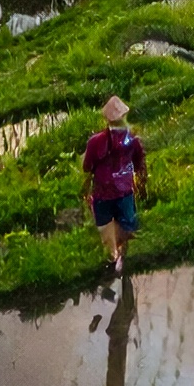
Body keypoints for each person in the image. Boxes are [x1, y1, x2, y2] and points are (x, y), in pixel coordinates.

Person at [82, 94, 147, 274]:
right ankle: (121, 252)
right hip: (125, 190)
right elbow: (139, 163)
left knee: (104, 224)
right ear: (125, 117)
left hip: (103, 192)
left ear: (107, 120)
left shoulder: (95, 142)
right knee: (127, 223)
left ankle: (113, 254)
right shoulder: (133, 140)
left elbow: (87, 167)